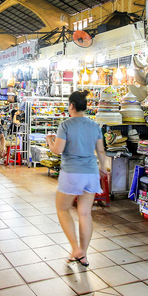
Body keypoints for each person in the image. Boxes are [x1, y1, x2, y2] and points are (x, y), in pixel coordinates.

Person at [46, 91, 108, 267]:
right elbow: (101, 150)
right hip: (91, 173)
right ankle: (84, 254)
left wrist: (50, 141)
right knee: (85, 213)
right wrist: (103, 167)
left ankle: (76, 248)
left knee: (62, 208)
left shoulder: (65, 125)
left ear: (71, 105)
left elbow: (57, 150)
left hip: (72, 173)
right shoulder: (94, 125)